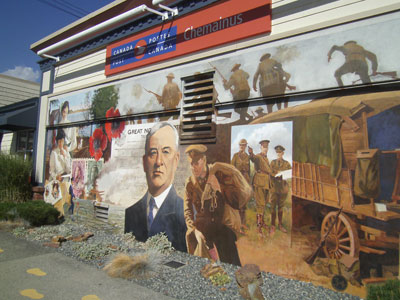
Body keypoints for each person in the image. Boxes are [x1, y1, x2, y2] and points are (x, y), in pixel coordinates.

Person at [184, 144, 252, 266]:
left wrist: (219, 188)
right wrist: (194, 230)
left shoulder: (220, 174)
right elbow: (187, 211)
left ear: (204, 160)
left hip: (222, 226)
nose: (194, 168)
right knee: (202, 264)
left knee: (230, 261)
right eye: (191, 164)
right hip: (203, 228)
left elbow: (236, 200)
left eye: (196, 163)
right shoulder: (190, 183)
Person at [124, 122, 187, 252]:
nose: (159, 161)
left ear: (176, 161)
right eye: (153, 152)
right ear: (144, 162)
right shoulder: (131, 213)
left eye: (165, 151)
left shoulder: (186, 215)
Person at [248, 139, 276, 236]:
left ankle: (262, 222)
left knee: (263, 204)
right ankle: (259, 227)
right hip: (259, 183)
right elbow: (253, 158)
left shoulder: (266, 158)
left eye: (267, 147)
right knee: (260, 204)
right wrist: (251, 153)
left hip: (265, 184)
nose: (265, 149)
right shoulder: (259, 157)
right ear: (261, 147)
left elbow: (268, 171)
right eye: (264, 147)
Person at [269, 145, 292, 235]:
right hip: (274, 188)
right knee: (272, 206)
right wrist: (277, 174)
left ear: (283, 153)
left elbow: (290, 173)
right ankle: (272, 226)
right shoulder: (272, 163)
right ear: (276, 153)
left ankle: (280, 225)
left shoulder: (287, 164)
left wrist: (282, 175)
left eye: (280, 153)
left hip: (283, 188)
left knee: (281, 206)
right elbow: (270, 173)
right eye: (277, 153)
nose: (279, 154)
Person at [49, 130, 72, 217]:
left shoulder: (66, 153)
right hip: (57, 180)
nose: (60, 143)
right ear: (57, 141)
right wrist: (56, 176)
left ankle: (64, 215)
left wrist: (65, 156)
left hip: (65, 179)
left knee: (67, 199)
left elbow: (69, 170)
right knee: (57, 203)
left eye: (62, 141)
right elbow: (51, 170)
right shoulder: (54, 153)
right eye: (59, 141)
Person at [231, 138, 251, 233]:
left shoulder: (247, 156)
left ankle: (243, 223)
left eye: (243, 145)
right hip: (237, 181)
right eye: (241, 145)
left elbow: (249, 170)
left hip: (245, 181)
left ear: (246, 146)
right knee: (238, 203)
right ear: (239, 146)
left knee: (244, 203)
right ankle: (238, 225)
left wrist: (249, 183)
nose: (242, 147)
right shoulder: (235, 156)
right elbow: (231, 169)